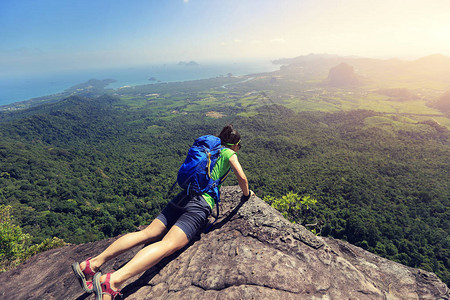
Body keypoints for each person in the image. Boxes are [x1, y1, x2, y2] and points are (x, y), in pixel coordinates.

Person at [72, 124, 253, 300]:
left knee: (147, 233)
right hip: (199, 205)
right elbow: (242, 177)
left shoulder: (209, 148)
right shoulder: (230, 153)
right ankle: (112, 281)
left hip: (183, 196)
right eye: (239, 146)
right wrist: (246, 194)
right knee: (167, 245)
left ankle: (91, 264)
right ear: (235, 145)